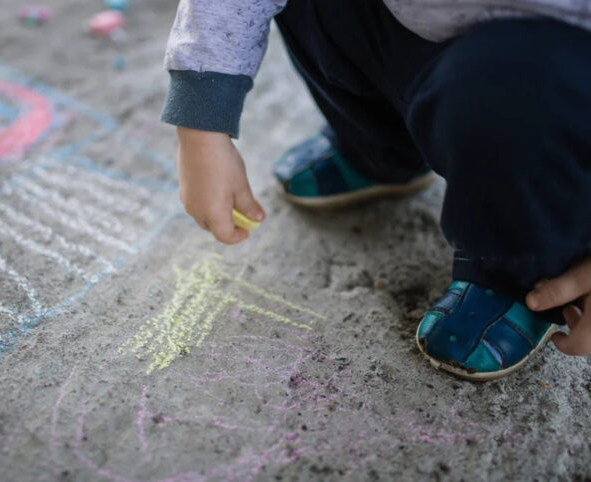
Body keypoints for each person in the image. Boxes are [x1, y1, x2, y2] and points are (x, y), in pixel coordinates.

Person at [160, 0, 591, 380]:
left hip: (551, 61)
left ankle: (517, 273)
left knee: (512, 81)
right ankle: (379, 149)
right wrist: (202, 121)